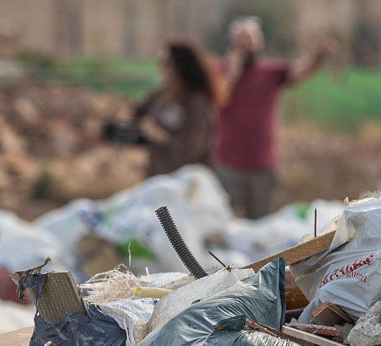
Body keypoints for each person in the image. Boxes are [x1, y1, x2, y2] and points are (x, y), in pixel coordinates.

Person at [215, 17, 336, 217]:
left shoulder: (270, 72)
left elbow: (300, 71)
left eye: (250, 39)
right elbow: (217, 101)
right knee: (226, 222)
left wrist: (318, 56)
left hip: (262, 165)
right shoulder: (221, 73)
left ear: (259, 43)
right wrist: (232, 74)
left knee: (261, 225)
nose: (246, 45)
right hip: (229, 164)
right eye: (241, 40)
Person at [132, 39, 226, 176]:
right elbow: (137, 114)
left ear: (180, 67)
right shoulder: (162, 94)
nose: (161, 68)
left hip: (186, 183)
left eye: (166, 64)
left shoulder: (198, 102)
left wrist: (161, 137)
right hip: (158, 177)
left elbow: (194, 148)